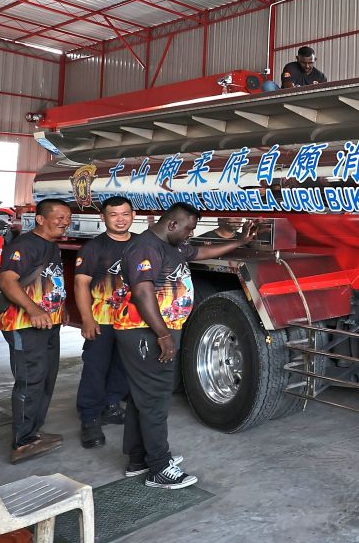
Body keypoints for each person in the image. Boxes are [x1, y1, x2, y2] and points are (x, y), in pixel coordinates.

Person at [117, 203, 256, 488]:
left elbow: (201, 253)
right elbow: (143, 293)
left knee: (141, 397)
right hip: (145, 334)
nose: (191, 234)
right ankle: (158, 467)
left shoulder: (173, 245)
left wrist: (239, 241)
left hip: (157, 331)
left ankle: (138, 458)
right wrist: (163, 335)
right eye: (189, 228)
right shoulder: (146, 247)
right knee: (155, 399)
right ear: (172, 225)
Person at [0, 198, 71, 463]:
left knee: (46, 378)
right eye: (59, 217)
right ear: (40, 219)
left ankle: (32, 433)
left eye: (67, 217)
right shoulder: (25, 245)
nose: (65, 221)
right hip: (25, 324)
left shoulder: (50, 245)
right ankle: (21, 442)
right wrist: (34, 310)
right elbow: (7, 280)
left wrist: (60, 310)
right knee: (30, 380)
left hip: (47, 324)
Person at [73, 196, 134, 449]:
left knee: (123, 365)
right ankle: (89, 418)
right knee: (95, 367)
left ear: (132, 215)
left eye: (125, 214)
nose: (120, 219)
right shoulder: (94, 247)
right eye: (114, 214)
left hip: (131, 320)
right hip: (102, 319)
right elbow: (81, 284)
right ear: (103, 218)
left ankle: (111, 405)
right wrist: (87, 319)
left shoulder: (142, 244)